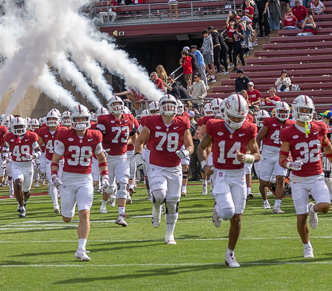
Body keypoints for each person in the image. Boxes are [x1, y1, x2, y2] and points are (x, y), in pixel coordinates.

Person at [196, 94, 259, 267]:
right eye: (233, 116)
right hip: (221, 173)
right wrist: (203, 165)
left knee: (237, 217)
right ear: (225, 113)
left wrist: (246, 158)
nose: (237, 119)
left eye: (240, 117)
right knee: (227, 213)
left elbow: (257, 155)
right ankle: (217, 208)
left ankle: (230, 254)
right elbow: (201, 146)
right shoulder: (214, 126)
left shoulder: (249, 128)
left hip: (239, 174)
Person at [279, 95, 332, 258]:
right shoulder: (288, 132)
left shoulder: (319, 127)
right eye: (301, 110)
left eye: (307, 110)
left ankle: (314, 208)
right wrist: (289, 165)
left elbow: (327, 146)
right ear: (295, 111)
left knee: (325, 206)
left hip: (316, 175)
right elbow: (282, 158)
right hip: (298, 179)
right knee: (300, 215)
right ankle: (307, 246)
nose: (304, 113)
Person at [50, 105, 107, 261]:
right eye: (78, 118)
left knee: (85, 213)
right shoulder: (63, 135)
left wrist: (105, 176)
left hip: (85, 178)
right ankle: (70, 208)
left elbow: (101, 158)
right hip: (68, 178)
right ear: (72, 120)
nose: (81, 121)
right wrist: (54, 175)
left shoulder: (95, 135)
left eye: (83, 118)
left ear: (88, 119)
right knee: (67, 218)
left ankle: (81, 249)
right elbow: (55, 160)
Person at [134, 95, 193, 246]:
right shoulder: (151, 121)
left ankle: (169, 234)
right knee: (159, 196)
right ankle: (155, 207)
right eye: (165, 105)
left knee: (172, 203)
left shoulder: (183, 122)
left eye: (171, 105)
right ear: (160, 107)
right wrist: (138, 156)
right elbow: (140, 141)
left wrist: (186, 152)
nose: (168, 108)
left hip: (174, 167)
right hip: (156, 165)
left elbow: (190, 145)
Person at [94, 97, 136, 225]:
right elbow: (97, 137)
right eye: (114, 104)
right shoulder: (104, 119)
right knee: (109, 187)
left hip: (122, 157)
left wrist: (136, 152)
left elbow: (134, 135)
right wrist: (100, 150)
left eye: (119, 104)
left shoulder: (129, 118)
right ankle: (105, 202)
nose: (117, 107)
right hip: (107, 158)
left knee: (123, 183)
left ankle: (121, 215)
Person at [3, 118, 39, 218]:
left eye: (20, 127)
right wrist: (5, 159)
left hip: (28, 166)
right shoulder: (9, 136)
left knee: (26, 191)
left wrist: (33, 156)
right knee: (18, 183)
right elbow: (5, 148)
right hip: (16, 164)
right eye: (16, 127)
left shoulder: (31, 136)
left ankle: (24, 200)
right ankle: (22, 208)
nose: (18, 129)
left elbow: (38, 151)